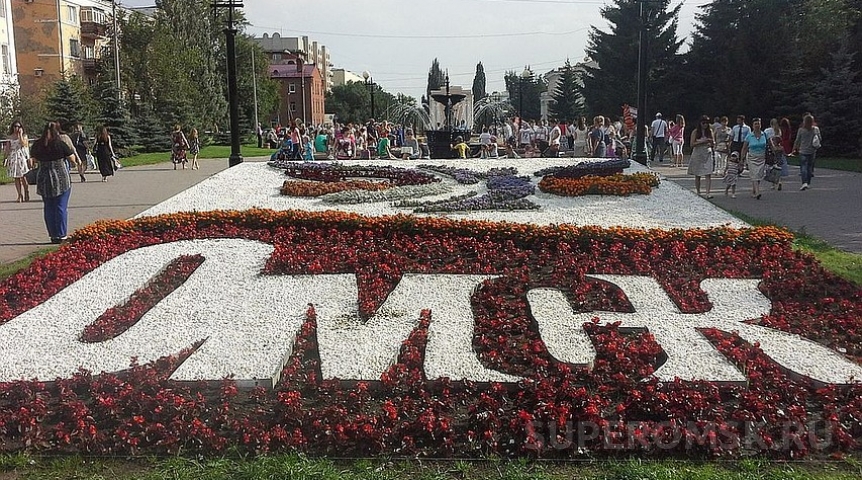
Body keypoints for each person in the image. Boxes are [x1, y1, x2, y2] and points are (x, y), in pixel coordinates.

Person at [30, 122, 79, 243]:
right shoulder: (59, 143)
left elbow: (33, 160)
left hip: (44, 177)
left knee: (49, 207)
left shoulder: (38, 145)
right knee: (60, 207)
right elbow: (72, 159)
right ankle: (62, 235)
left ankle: (53, 235)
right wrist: (74, 163)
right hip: (61, 178)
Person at [688, 116, 715, 198]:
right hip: (698, 154)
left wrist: (711, 142)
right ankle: (698, 191)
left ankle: (708, 193)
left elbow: (713, 143)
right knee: (697, 174)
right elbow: (692, 144)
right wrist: (702, 141)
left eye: (707, 123)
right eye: (703, 123)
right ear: (700, 123)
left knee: (708, 173)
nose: (705, 125)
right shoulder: (695, 132)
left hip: (707, 153)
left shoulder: (710, 131)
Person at [792, 114, 821, 191]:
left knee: (803, 166)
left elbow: (797, 140)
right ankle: (808, 183)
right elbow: (819, 138)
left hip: (803, 150)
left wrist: (794, 148)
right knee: (809, 167)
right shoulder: (815, 129)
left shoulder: (801, 130)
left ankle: (804, 182)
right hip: (812, 150)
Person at [741, 117, 768, 199]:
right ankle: (757, 192)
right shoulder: (749, 136)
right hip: (752, 158)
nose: (757, 125)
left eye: (758, 124)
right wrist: (742, 159)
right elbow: (744, 148)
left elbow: (770, 145)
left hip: (762, 157)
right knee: (755, 174)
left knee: (759, 175)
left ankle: (754, 190)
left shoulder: (764, 134)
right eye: (755, 124)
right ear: (752, 125)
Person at [3, 121, 31, 202]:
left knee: (23, 176)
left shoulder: (24, 136)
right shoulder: (10, 137)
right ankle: (19, 195)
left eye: (18, 126)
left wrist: (20, 135)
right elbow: (8, 149)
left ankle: (26, 191)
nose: (16, 128)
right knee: (16, 177)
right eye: (15, 126)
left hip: (21, 156)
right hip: (13, 157)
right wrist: (5, 158)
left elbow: (23, 144)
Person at [764, 118, 788, 191]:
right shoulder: (778, 130)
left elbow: (766, 140)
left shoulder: (767, 131)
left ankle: (773, 184)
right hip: (778, 151)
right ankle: (779, 181)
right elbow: (779, 139)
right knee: (778, 168)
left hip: (771, 150)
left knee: (772, 168)